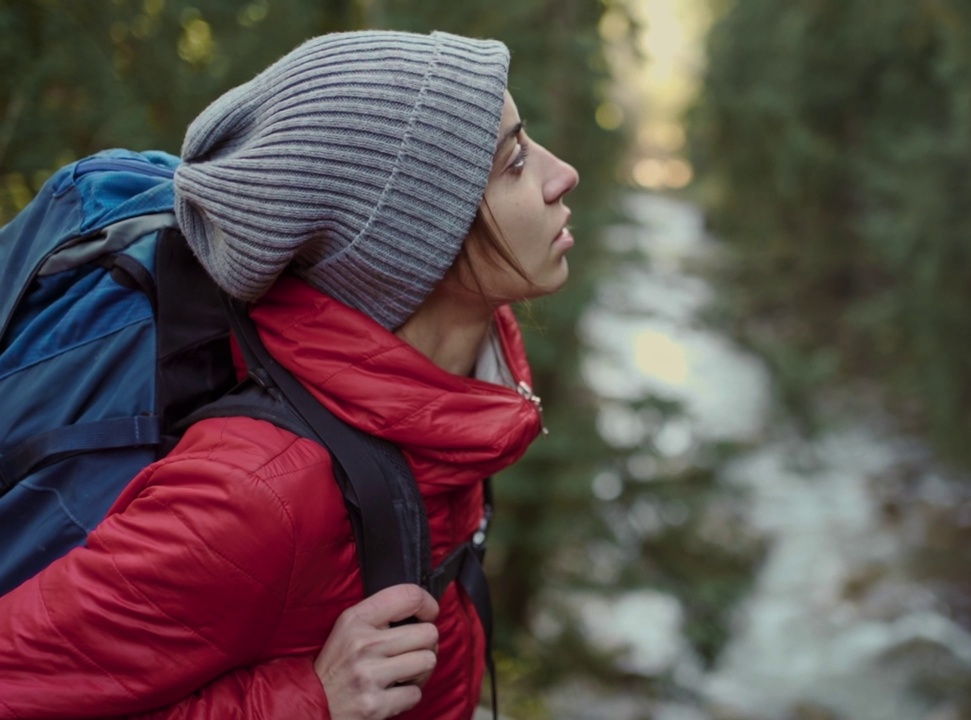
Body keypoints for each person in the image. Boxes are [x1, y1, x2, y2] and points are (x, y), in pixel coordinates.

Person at [0, 29, 578, 720]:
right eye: (513, 162)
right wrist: (306, 703)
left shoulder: (455, 384)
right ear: (415, 242)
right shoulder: (256, 494)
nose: (561, 173)